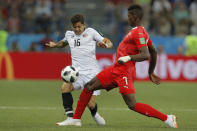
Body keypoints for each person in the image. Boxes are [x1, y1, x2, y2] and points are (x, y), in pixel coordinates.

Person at [62, 5, 178, 128]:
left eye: (129, 16)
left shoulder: (139, 33)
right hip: (115, 69)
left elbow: (146, 54)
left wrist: (129, 58)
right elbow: (153, 52)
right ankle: (76, 119)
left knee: (132, 104)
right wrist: (150, 72)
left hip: (124, 72)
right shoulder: (138, 32)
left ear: (136, 17)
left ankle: (167, 118)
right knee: (89, 86)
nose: (127, 18)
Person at [46, 14, 113, 126]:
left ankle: (95, 114)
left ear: (83, 25)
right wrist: (55, 45)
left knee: (90, 104)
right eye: (74, 27)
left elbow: (107, 41)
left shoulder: (91, 32)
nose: (77, 29)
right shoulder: (69, 34)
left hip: (92, 74)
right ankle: (71, 118)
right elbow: (63, 43)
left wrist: (107, 45)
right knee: (65, 88)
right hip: (76, 73)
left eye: (79, 27)